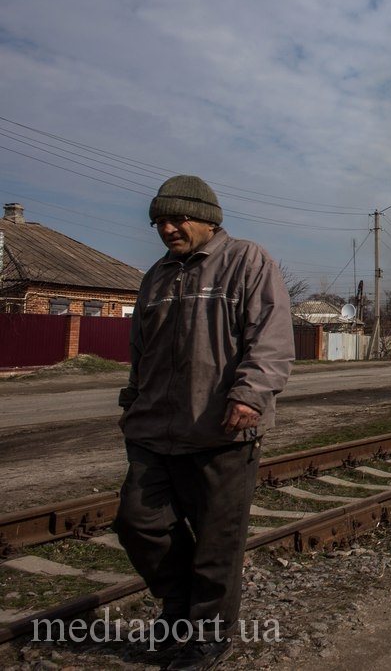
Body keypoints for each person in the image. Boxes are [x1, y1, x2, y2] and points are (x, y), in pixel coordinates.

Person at [114, 175, 294, 671]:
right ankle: (178, 612)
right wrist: (132, 400)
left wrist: (252, 396)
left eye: (177, 218)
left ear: (208, 218)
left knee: (217, 542)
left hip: (223, 428)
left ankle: (206, 637)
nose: (167, 228)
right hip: (154, 428)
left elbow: (272, 338)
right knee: (138, 523)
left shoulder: (247, 261)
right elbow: (140, 351)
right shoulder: (156, 276)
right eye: (159, 222)